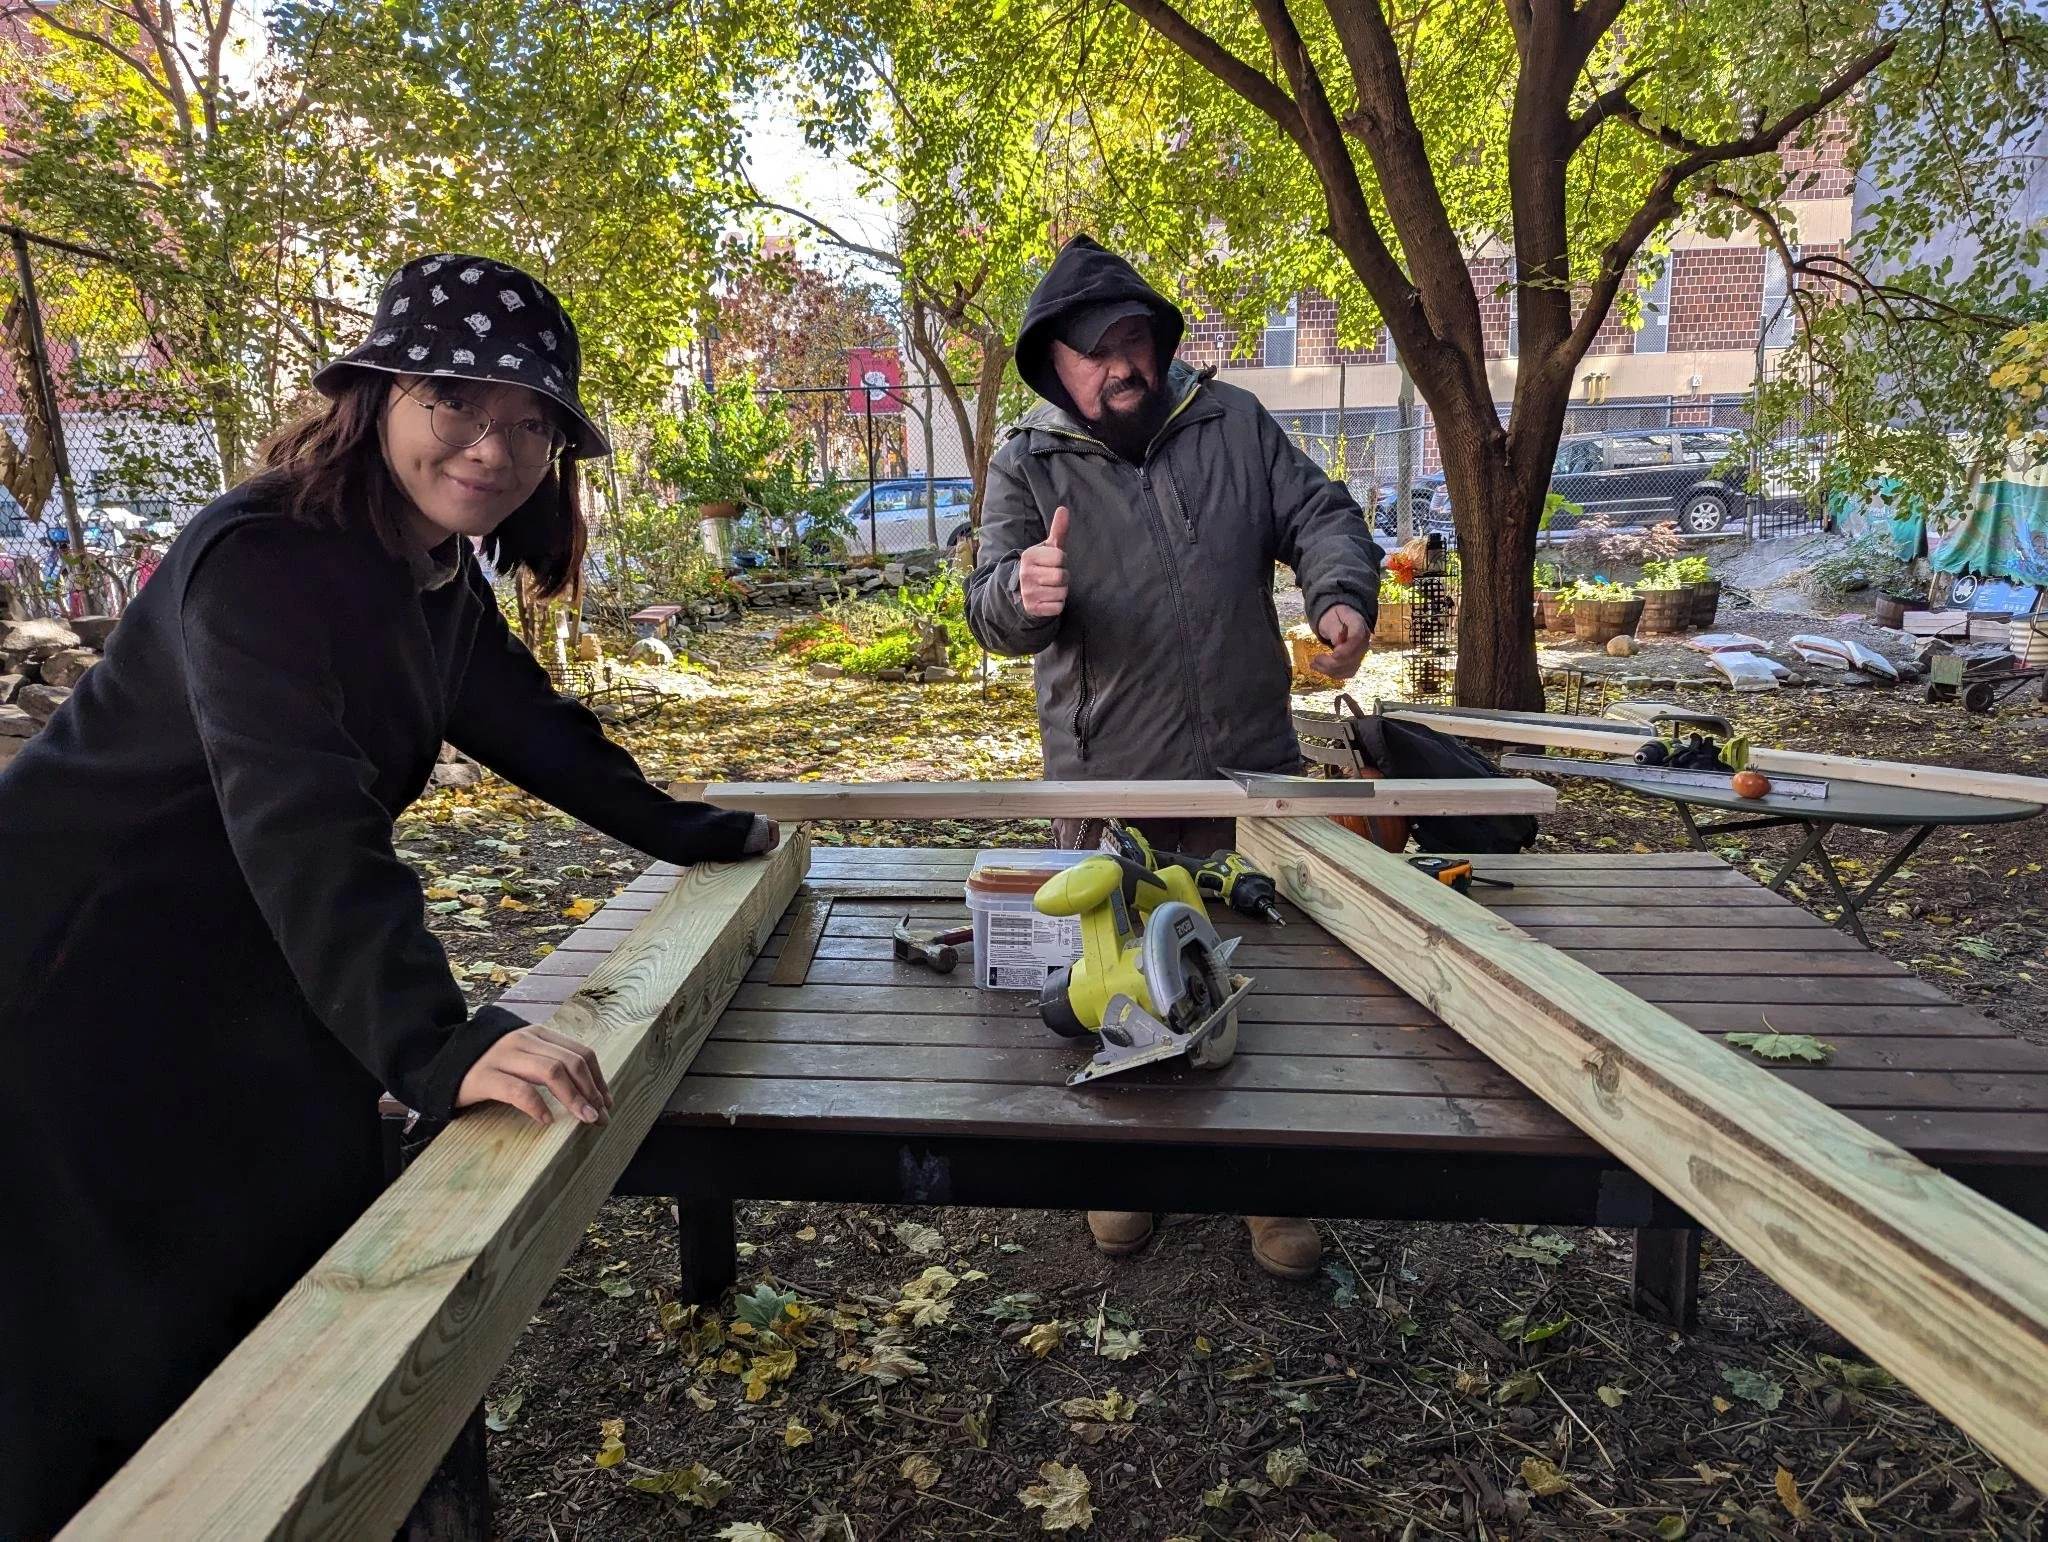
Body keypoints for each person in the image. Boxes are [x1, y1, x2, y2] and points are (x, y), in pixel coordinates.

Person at [0, 253, 776, 1539]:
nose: (494, 445)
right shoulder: (259, 564)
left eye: (530, 422)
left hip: (240, 961)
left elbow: (531, 727)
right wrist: (437, 1041)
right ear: (372, 398)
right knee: (98, 1347)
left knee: (287, 1271)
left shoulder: (429, 573)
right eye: (456, 402)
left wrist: (694, 831)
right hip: (65, 981)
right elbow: (301, 817)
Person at [966, 234, 1384, 1281]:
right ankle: (1129, 1171)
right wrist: (1025, 596)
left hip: (1248, 770)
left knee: (1258, 979)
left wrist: (1339, 591)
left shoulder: (1230, 422)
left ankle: (1263, 1187)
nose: (1122, 364)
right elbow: (986, 606)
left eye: (1135, 340)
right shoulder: (1027, 458)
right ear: (1050, 363)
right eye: (1096, 349)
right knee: (1116, 985)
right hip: (1107, 779)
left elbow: (1321, 511)